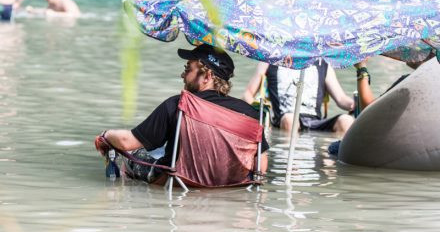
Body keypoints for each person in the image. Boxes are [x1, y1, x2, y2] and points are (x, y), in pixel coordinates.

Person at [95, 44, 269, 183]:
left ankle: (115, 199)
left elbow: (127, 142)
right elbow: (261, 166)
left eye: (188, 69)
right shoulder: (251, 114)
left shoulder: (179, 105)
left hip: (179, 181)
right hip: (232, 185)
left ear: (207, 76)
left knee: (133, 153)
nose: (182, 75)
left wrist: (106, 136)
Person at [242, 60, 354, 135]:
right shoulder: (270, 60)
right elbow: (247, 94)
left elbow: (341, 99)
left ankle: (333, 161)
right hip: (285, 118)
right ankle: (292, 166)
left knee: (346, 120)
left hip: (315, 120)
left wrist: (355, 104)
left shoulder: (322, 63)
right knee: (290, 119)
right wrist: (261, 111)